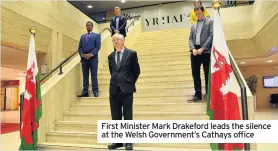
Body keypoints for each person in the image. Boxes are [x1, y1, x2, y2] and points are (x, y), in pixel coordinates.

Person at [107, 33, 140, 150]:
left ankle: (129, 141)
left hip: (126, 90)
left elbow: (136, 71)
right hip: (114, 91)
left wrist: (129, 81)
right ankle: (118, 141)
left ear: (123, 40)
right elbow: (112, 72)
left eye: (118, 39)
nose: (116, 41)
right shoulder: (110, 56)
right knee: (115, 117)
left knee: (127, 116)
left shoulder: (131, 53)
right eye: (114, 40)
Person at [188, 5, 213, 102]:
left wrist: (203, 48)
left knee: (207, 73)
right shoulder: (193, 25)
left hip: (206, 51)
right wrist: (193, 49)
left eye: (199, 13)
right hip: (195, 52)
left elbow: (211, 36)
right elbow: (190, 38)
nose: (198, 15)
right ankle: (197, 95)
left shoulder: (210, 22)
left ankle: (208, 95)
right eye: (196, 14)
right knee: (195, 73)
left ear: (203, 12)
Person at [77, 21, 101, 97]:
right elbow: (80, 47)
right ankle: (85, 92)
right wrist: (82, 55)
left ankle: (95, 91)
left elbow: (98, 47)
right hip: (84, 60)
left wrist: (91, 54)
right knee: (85, 76)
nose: (88, 27)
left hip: (93, 59)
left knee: (94, 75)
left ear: (92, 26)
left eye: (90, 25)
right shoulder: (82, 36)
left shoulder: (97, 36)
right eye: (87, 25)